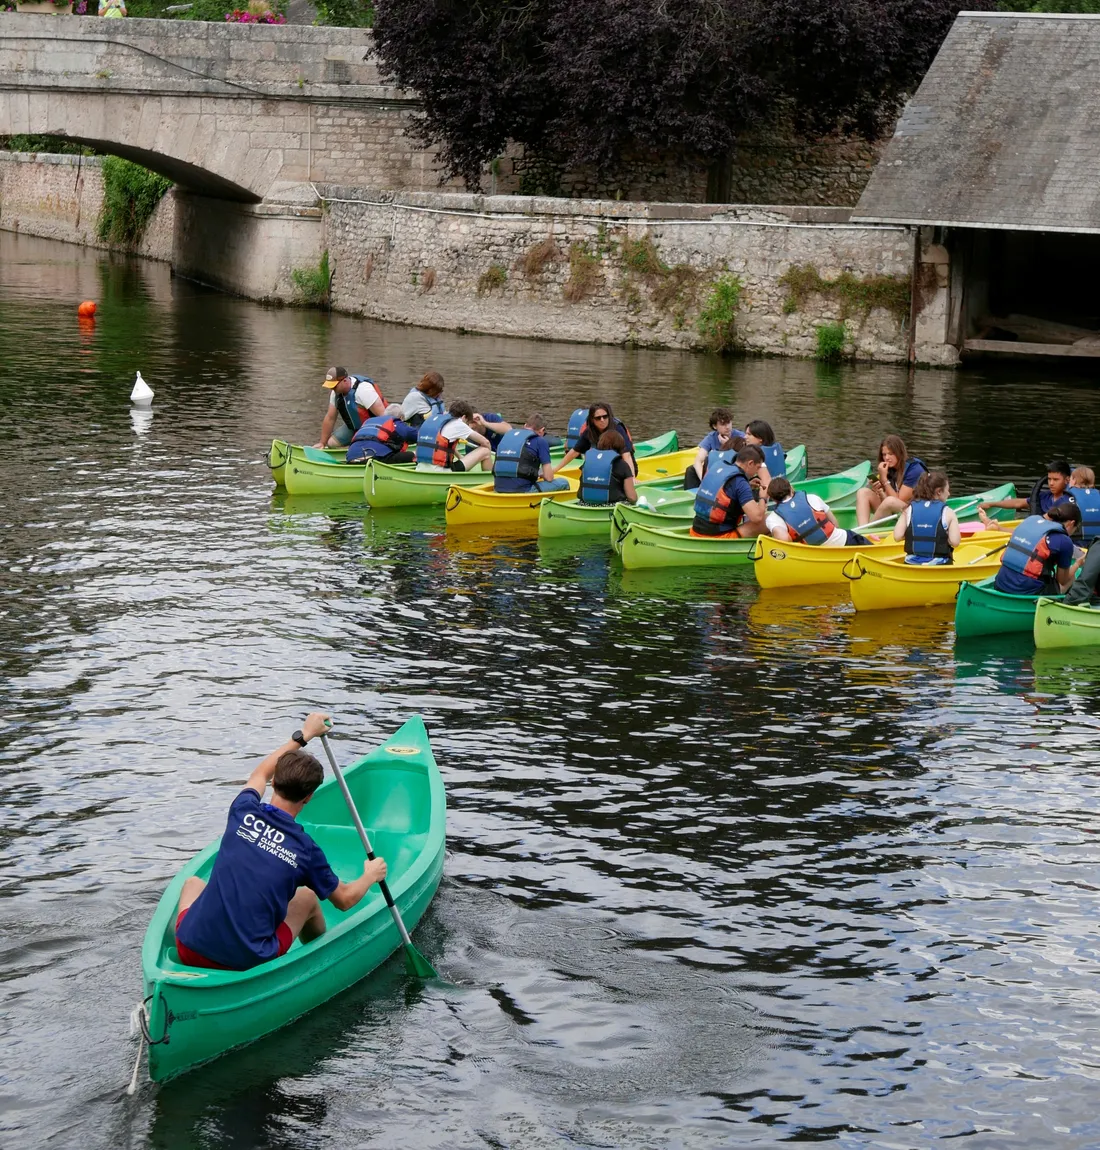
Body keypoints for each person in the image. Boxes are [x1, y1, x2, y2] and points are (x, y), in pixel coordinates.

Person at [173, 712, 387, 971]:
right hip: (245, 961)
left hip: (188, 947)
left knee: (193, 883)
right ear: (308, 797)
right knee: (307, 898)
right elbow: (344, 900)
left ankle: (183, 957)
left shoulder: (243, 809)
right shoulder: (305, 849)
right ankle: (316, 963)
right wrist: (370, 875)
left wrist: (304, 735)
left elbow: (260, 772)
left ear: (274, 782)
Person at [992, 503, 1083, 596]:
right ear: (1071, 523)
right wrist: (1077, 564)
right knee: (1071, 579)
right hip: (1027, 592)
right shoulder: (1065, 540)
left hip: (1000, 583)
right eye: (1076, 529)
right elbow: (1062, 581)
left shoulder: (1031, 519)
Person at [766, 477, 872, 548]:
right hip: (841, 542)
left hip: (812, 553)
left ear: (773, 499)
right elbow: (835, 524)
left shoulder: (773, 518)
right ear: (791, 489)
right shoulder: (812, 498)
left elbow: (784, 540)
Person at [690, 444, 768, 538]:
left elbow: (725, 490)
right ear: (750, 463)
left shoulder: (719, 466)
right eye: (758, 467)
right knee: (769, 520)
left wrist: (748, 485)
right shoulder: (741, 483)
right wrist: (763, 498)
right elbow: (757, 518)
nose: (757, 472)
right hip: (718, 535)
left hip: (695, 529)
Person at [892, 470, 962, 564]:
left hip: (911, 564)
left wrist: (915, 534)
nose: (949, 494)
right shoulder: (948, 512)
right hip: (939, 565)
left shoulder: (909, 509)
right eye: (947, 490)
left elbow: (897, 536)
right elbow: (955, 542)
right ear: (939, 491)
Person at [855, 435, 927, 526]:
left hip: (915, 512)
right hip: (896, 511)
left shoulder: (914, 469)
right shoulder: (889, 469)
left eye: (891, 454)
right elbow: (886, 501)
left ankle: (867, 530)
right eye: (884, 454)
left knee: (890, 501)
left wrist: (884, 480)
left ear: (899, 453)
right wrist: (879, 491)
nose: (887, 458)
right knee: (863, 492)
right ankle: (862, 527)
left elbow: (896, 500)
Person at [492, 413, 570, 493]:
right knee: (564, 482)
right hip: (523, 490)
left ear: (525, 426)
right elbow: (549, 478)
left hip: (498, 488)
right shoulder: (540, 441)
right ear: (542, 430)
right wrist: (542, 474)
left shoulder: (508, 436)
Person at [555, 402, 635, 475]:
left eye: (605, 417)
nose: (602, 420)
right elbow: (574, 452)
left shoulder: (618, 428)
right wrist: (555, 470)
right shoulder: (589, 431)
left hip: (620, 465)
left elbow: (626, 455)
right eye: (598, 418)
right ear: (592, 420)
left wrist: (632, 477)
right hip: (602, 464)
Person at [316, 367, 386, 448]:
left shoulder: (364, 390)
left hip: (373, 427)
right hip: (355, 427)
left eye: (334, 386)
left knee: (359, 446)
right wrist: (322, 443)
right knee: (331, 443)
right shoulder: (335, 392)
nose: (332, 389)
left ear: (344, 381)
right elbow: (330, 418)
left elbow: (384, 416)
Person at [415, 399, 493, 471]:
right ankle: (489, 477)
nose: (468, 426)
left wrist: (460, 457)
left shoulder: (435, 420)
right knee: (485, 451)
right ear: (464, 417)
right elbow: (486, 442)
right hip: (441, 472)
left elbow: (444, 445)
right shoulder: (458, 423)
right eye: (467, 423)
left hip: (420, 469)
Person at [980, 458, 1072, 518]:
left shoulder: (1071, 501)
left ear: (1067, 480)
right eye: (1049, 479)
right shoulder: (1044, 497)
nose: (1051, 483)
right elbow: (1018, 503)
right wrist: (991, 504)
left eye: (1056, 480)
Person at [684, 408, 744, 490]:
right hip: (715, 471)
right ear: (715, 426)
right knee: (691, 470)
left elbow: (742, 459)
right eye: (723, 424)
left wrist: (727, 445)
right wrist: (704, 480)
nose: (727, 427)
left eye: (729, 423)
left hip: (731, 470)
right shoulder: (711, 438)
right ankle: (692, 492)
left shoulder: (740, 437)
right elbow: (698, 460)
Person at [578, 429, 639, 505]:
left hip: (584, 504)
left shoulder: (588, 461)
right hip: (610, 506)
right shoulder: (622, 464)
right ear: (620, 445)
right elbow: (632, 498)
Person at [345, 404, 420, 464]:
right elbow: (421, 437)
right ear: (401, 417)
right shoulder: (396, 423)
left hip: (351, 457)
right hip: (374, 459)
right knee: (412, 454)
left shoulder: (369, 421)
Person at [1067, 465, 1100, 546]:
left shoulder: (1068, 496)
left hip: (1077, 543)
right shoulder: (1098, 494)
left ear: (1074, 480)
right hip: (1097, 543)